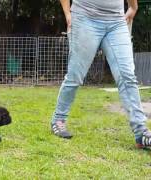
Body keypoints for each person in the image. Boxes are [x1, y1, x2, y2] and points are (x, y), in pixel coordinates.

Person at [51, 0, 151, 148]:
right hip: (84, 17)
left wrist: (133, 7)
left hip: (117, 21)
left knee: (127, 76)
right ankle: (58, 119)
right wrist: (67, 13)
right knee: (75, 76)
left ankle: (140, 132)